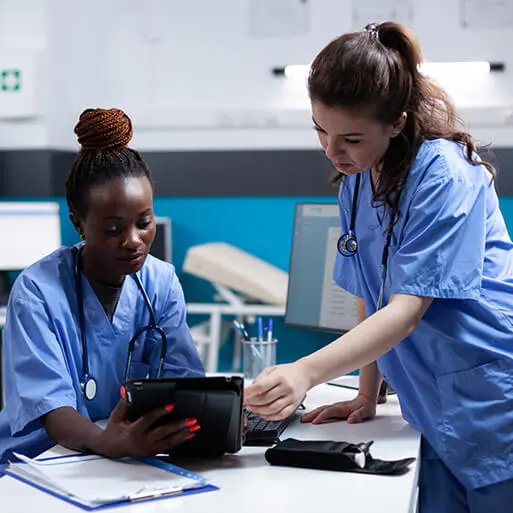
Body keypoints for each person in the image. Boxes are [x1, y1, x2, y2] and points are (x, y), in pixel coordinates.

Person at [245, 22, 513, 512]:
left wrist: (304, 372)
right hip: (433, 402)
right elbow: (372, 293)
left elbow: (407, 308)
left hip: (493, 394)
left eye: (350, 137)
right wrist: (365, 395)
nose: (331, 151)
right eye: (320, 130)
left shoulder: (446, 175)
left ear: (396, 121)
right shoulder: (359, 180)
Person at [0, 108, 205, 464]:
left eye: (144, 222)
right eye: (113, 229)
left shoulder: (161, 282)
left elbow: (184, 382)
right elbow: (51, 409)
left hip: (125, 459)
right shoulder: (38, 292)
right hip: (40, 462)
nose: (133, 240)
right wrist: (108, 443)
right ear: (79, 223)